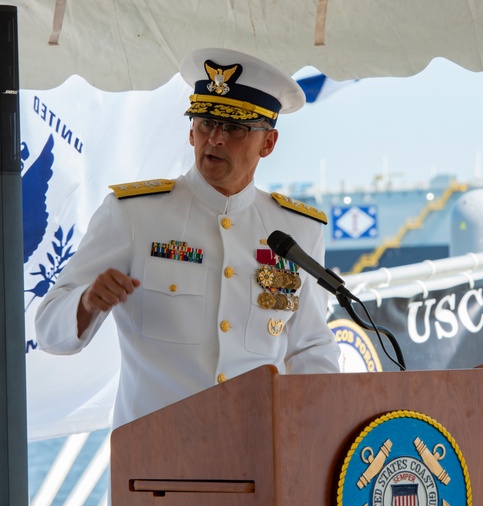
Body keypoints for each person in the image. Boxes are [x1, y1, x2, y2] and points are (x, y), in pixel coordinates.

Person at [35, 48, 341, 431]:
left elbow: (310, 346)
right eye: (205, 123)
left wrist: (316, 430)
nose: (214, 139)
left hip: (258, 458)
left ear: (268, 143)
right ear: (190, 130)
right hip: (154, 463)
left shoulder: (298, 230)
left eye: (233, 128)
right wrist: (86, 302)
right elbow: (48, 329)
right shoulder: (132, 213)